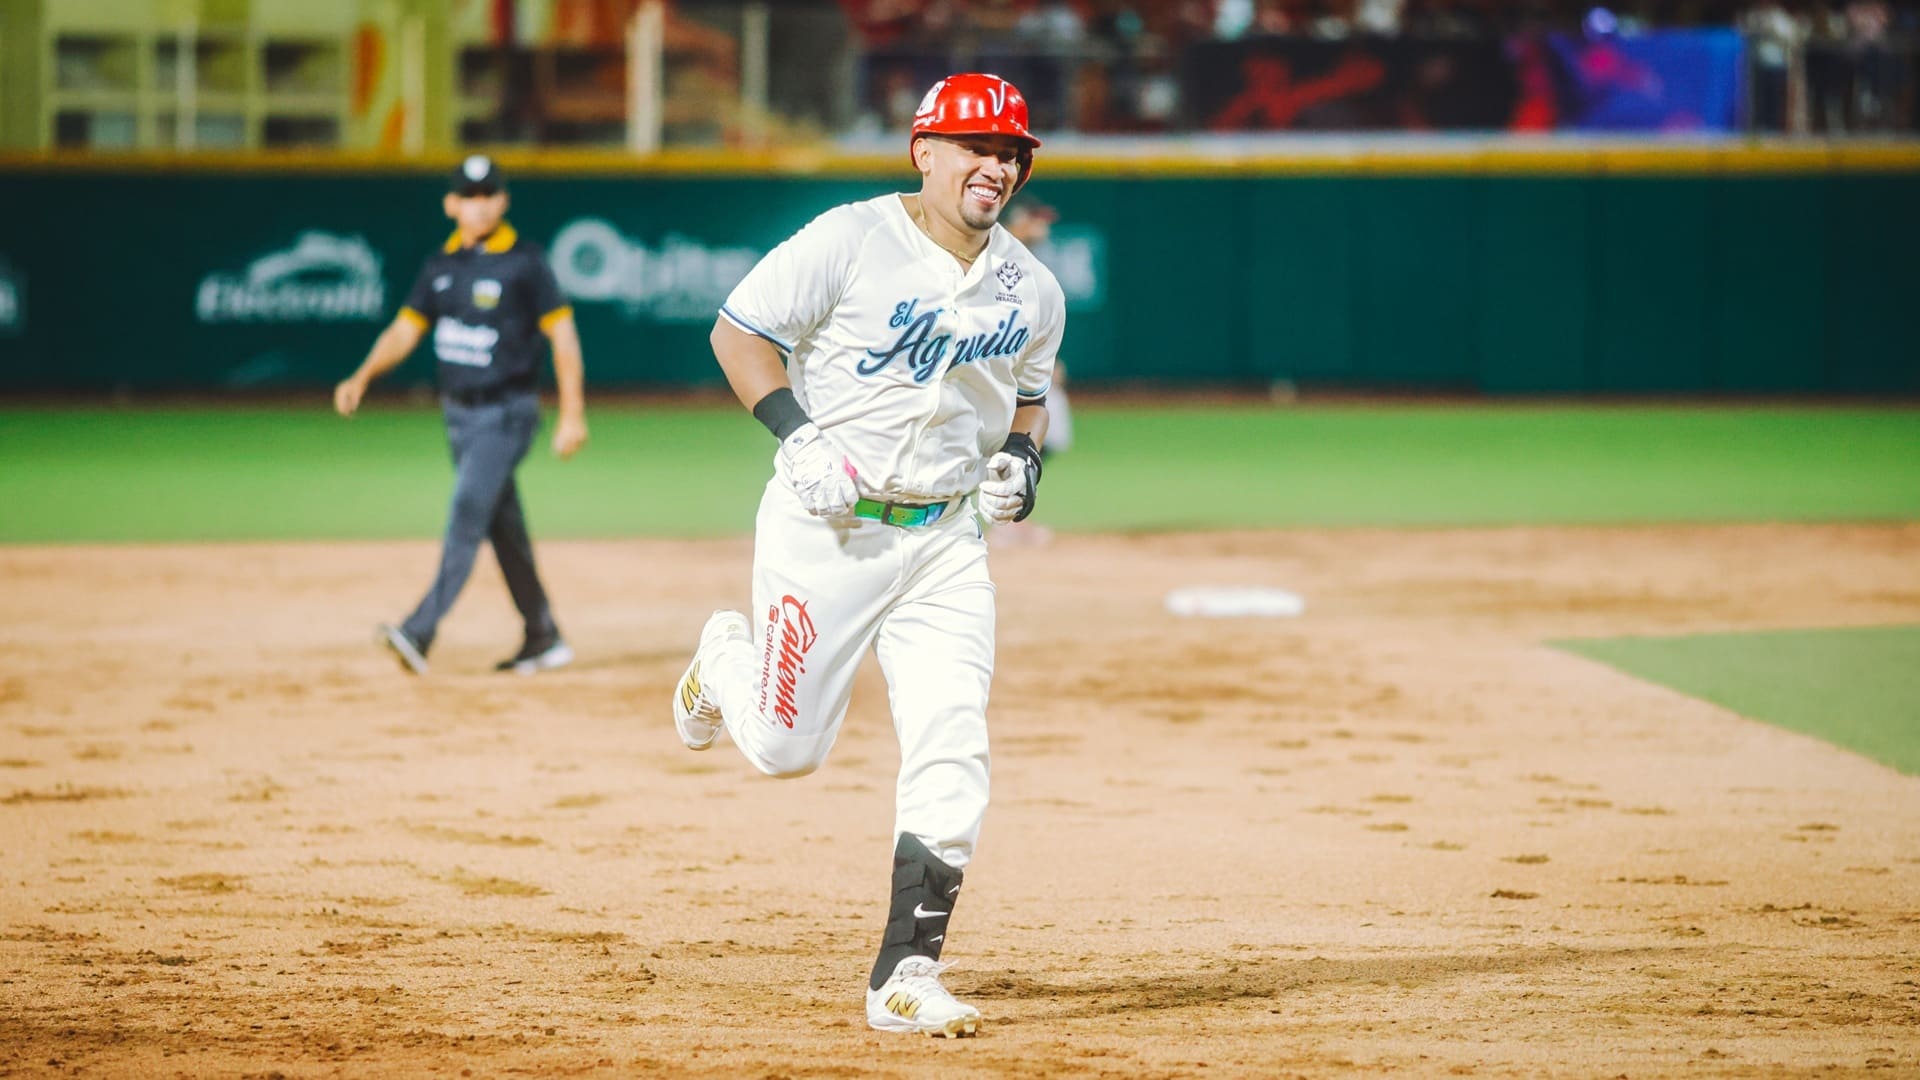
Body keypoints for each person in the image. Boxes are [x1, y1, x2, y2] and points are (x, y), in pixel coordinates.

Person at [668, 73, 1062, 1037]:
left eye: (1011, 150)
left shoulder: (1033, 286)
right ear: (924, 151)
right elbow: (738, 333)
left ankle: (906, 972)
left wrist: (1018, 461)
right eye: (976, 145)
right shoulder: (848, 240)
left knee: (952, 740)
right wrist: (795, 434)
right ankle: (726, 657)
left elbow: (1029, 395)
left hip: (946, 546)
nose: (996, 165)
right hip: (828, 535)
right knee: (785, 750)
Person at [333, 155, 589, 677]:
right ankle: (542, 635)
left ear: (503, 200)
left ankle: (418, 631)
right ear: (451, 204)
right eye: (469, 195)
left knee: (467, 514)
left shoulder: (525, 262)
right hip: (458, 418)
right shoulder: (441, 266)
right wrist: (362, 375)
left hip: (507, 413)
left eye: (489, 193)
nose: (480, 204)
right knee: (502, 526)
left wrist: (572, 414)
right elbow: (406, 330)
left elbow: (562, 336)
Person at [997, 197, 1075, 547]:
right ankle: (1006, 520)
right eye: (1040, 221)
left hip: (1025, 368)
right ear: (1022, 220)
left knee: (1047, 437)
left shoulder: (1029, 263)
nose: (1045, 229)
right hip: (999, 368)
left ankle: (1009, 515)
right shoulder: (996, 253)